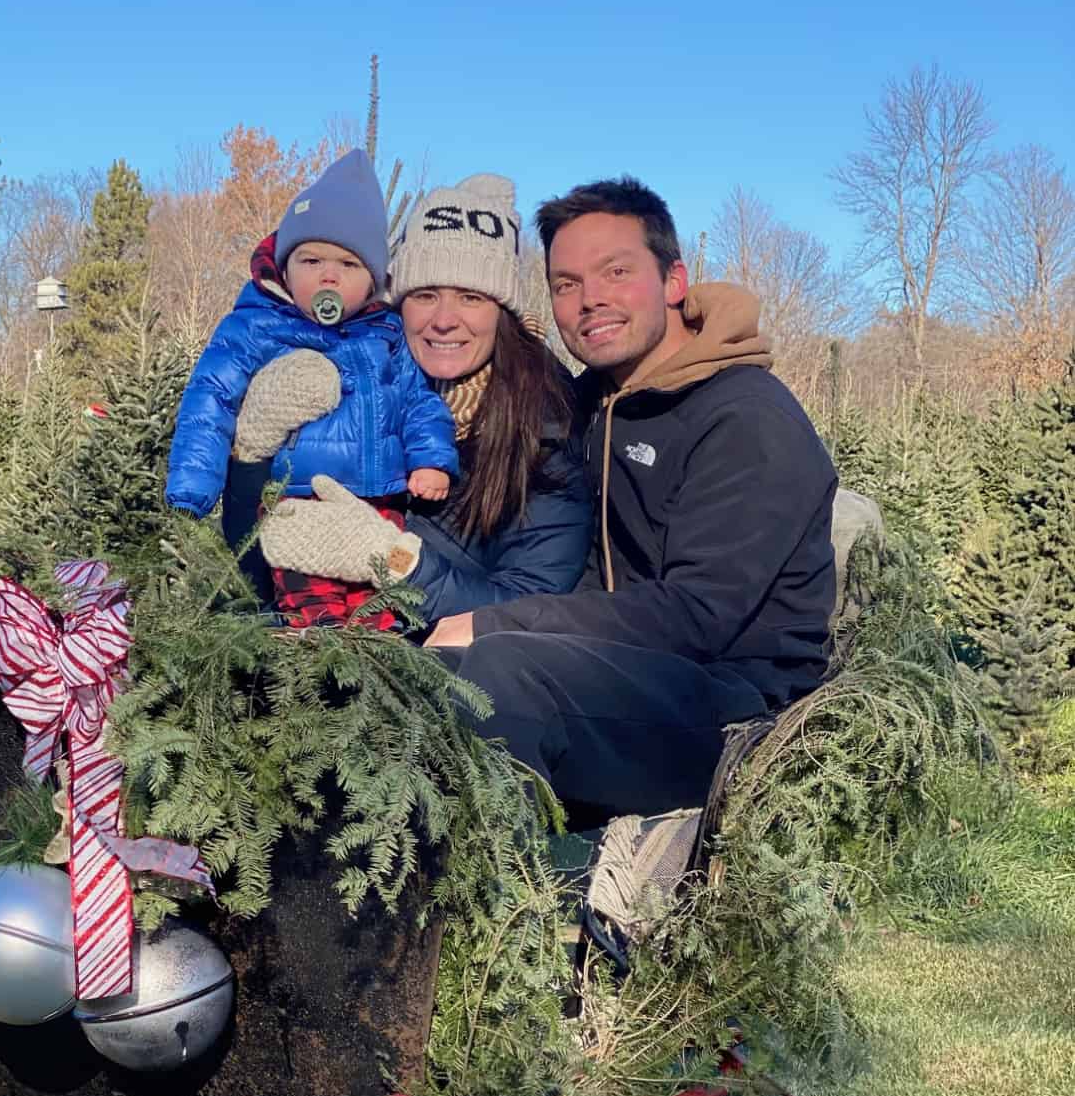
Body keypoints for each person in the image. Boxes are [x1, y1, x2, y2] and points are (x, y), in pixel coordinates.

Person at [423, 176, 837, 822]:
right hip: (615, 674)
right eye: (566, 284)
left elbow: (699, 614)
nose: (590, 300)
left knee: (499, 675)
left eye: (615, 272)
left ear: (674, 281)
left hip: (733, 705)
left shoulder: (745, 417)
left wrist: (493, 623)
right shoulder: (589, 404)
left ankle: (479, 898)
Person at [255, 173, 595, 624]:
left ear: (502, 314)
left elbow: (527, 609)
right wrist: (250, 448)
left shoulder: (548, 432)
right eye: (426, 295)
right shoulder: (348, 388)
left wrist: (396, 560)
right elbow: (249, 559)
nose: (444, 320)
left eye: (471, 297)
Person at [164, 148, 458, 627]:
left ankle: (375, 651)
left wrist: (432, 459)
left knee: (377, 601)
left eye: (348, 264)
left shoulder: (385, 334)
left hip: (375, 502)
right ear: (283, 267)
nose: (328, 275)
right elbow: (209, 400)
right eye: (312, 259)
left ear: (372, 280)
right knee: (310, 598)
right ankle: (314, 647)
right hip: (293, 500)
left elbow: (419, 401)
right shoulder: (256, 326)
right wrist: (192, 489)